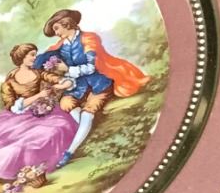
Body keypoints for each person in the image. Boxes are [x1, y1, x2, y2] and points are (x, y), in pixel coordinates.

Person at [33, 9, 148, 167]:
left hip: (98, 83)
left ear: (67, 24)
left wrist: (67, 69)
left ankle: (69, 152)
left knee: (87, 114)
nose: (56, 33)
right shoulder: (60, 46)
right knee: (66, 103)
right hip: (77, 87)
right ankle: (88, 129)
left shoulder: (89, 39)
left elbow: (91, 67)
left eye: (57, 28)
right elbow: (42, 62)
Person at [0, 43, 77, 181]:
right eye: (32, 55)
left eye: (35, 54)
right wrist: (39, 96)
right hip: (17, 115)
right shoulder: (9, 82)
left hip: (42, 113)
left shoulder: (39, 73)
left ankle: (30, 169)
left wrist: (63, 84)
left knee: (51, 131)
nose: (35, 57)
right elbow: (11, 106)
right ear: (22, 57)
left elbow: (61, 80)